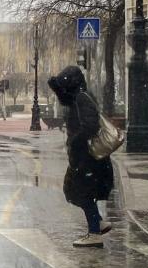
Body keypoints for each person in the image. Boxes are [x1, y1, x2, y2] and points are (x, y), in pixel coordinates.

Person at [48, 65, 113, 248]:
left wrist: (76, 141)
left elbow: (90, 126)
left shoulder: (82, 99)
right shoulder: (80, 97)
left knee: (80, 192)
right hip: (85, 157)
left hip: (86, 157)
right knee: (77, 191)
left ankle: (94, 233)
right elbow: (71, 104)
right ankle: (97, 223)